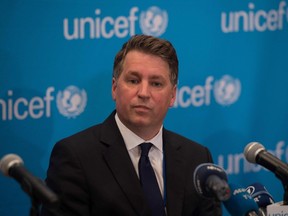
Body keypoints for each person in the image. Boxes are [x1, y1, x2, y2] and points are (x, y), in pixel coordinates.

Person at [41, 34, 221, 216]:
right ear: (114, 87)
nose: (143, 93)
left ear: (172, 95)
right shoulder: (75, 157)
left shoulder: (197, 159)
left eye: (156, 83)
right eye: (133, 80)